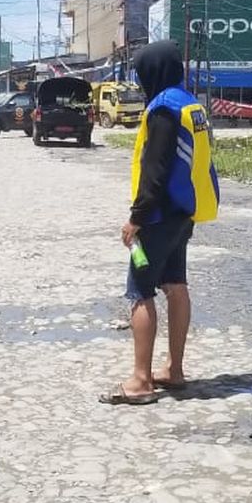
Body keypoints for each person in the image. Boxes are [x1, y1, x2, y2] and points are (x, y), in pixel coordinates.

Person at [101, 40, 219, 405]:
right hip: (184, 213)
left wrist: (136, 219)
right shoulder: (190, 104)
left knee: (140, 292)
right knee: (176, 285)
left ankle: (141, 381)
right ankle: (174, 370)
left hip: (158, 217)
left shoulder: (163, 109)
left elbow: (156, 168)